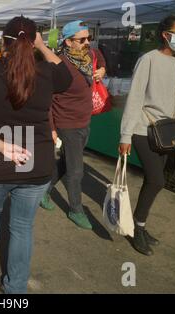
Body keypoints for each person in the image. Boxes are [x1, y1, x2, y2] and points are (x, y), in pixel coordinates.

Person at [0, 16, 72, 294]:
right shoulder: (46, 73)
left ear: (2, 42)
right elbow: (67, 77)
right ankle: (16, 286)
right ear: (33, 42)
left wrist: (1, 146)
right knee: (22, 226)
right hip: (37, 166)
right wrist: (44, 48)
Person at [119, 14, 175, 256]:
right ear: (166, 34)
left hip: (167, 132)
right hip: (143, 129)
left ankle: (140, 225)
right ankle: (136, 229)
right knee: (158, 180)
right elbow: (135, 99)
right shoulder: (148, 60)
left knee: (153, 181)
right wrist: (125, 135)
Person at [40, 20, 107, 230]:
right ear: (68, 42)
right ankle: (75, 209)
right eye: (82, 39)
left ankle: (43, 191)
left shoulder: (89, 57)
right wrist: (51, 128)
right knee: (76, 170)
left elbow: (101, 56)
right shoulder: (59, 66)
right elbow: (47, 100)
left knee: (67, 161)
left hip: (85, 120)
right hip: (67, 123)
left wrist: (103, 69)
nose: (88, 43)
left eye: (89, 38)